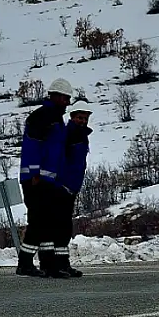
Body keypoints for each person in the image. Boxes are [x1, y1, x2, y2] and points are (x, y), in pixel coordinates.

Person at [17, 78, 73, 277]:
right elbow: (33, 146)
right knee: (38, 222)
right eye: (65, 98)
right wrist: (34, 174)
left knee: (48, 222)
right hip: (36, 180)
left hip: (49, 181)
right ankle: (24, 263)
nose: (67, 103)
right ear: (56, 96)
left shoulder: (56, 119)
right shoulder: (42, 116)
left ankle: (48, 264)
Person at [53, 99, 93, 279]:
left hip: (72, 187)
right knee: (59, 227)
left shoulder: (81, 136)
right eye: (79, 118)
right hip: (61, 186)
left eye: (85, 118)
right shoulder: (67, 134)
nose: (83, 121)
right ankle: (55, 265)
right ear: (72, 117)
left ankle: (63, 263)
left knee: (65, 227)